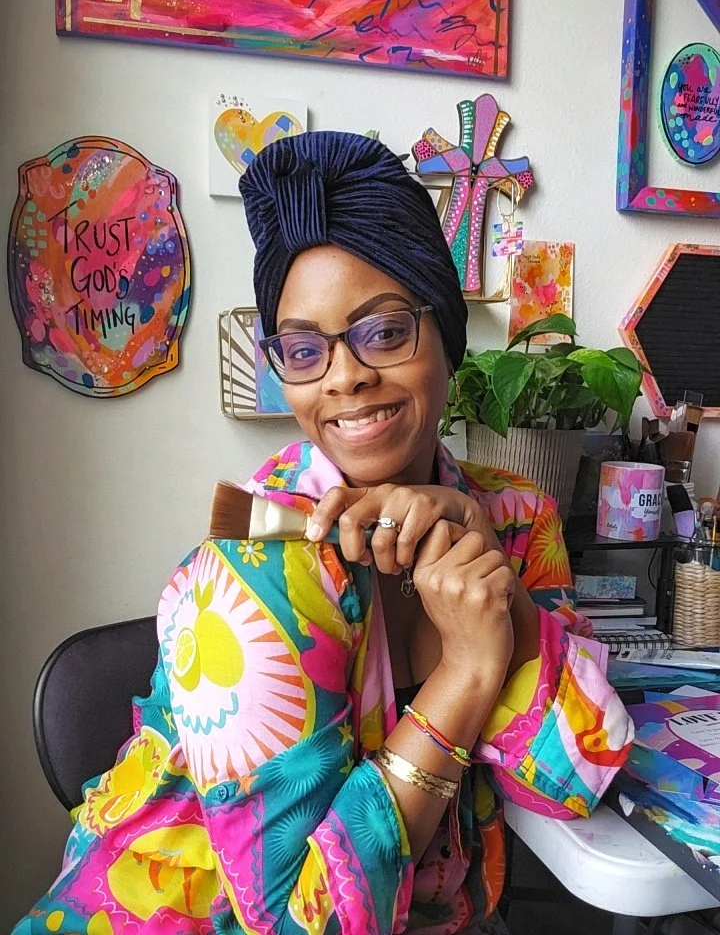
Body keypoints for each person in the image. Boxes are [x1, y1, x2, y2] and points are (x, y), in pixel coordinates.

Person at [16, 132, 633, 935]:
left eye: (382, 333)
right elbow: (298, 926)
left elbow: (578, 776)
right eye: (304, 350)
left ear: (445, 334)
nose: (344, 376)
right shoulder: (253, 563)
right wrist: (466, 673)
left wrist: (499, 591)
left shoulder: (516, 520)